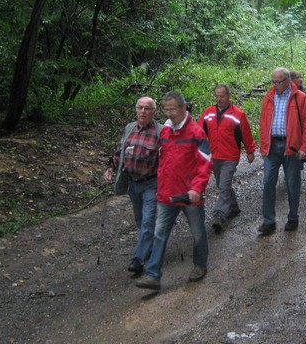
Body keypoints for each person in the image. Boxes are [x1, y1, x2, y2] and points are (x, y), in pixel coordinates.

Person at [136, 91, 213, 290]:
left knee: (197, 233)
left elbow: (205, 163)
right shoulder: (165, 132)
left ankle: (200, 265)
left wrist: (196, 188)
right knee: (159, 234)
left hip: (190, 196)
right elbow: (162, 163)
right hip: (167, 195)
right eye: (166, 110)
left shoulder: (197, 133)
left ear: (183, 108)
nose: (169, 114)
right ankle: (153, 275)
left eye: (172, 110)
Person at [103, 96, 161, 276]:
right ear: (136, 110)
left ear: (154, 112)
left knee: (147, 220)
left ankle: (138, 259)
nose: (143, 111)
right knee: (139, 219)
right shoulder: (129, 128)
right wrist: (111, 169)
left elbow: (169, 158)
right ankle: (148, 245)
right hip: (132, 183)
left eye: (147, 108)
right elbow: (120, 153)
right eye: (140, 108)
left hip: (151, 183)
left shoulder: (161, 132)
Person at [258, 67, 306, 235]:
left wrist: (305, 147)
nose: (275, 85)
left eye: (278, 82)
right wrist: (263, 146)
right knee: (268, 183)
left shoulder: (300, 98)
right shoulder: (269, 97)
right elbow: (263, 123)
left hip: (292, 148)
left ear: (287, 80)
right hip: (272, 147)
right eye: (273, 82)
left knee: (292, 184)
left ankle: (293, 217)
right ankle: (269, 221)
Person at [197, 84, 256, 234]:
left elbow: (246, 134)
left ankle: (219, 215)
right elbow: (198, 132)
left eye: (222, 96)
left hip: (230, 156)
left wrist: (250, 151)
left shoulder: (238, 114)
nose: (219, 99)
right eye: (217, 96)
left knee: (223, 185)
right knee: (221, 184)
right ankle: (234, 207)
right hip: (214, 156)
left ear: (229, 96)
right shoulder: (208, 113)